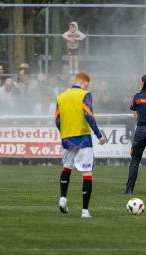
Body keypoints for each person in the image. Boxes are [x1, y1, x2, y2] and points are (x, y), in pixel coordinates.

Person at [55, 72, 107, 218]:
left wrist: (64, 133)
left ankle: (63, 198)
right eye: (87, 84)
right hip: (83, 137)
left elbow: (57, 119)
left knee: (67, 166)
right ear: (83, 82)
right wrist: (99, 135)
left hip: (67, 137)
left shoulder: (61, 96)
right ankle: (85, 211)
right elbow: (89, 115)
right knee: (87, 173)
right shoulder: (85, 94)